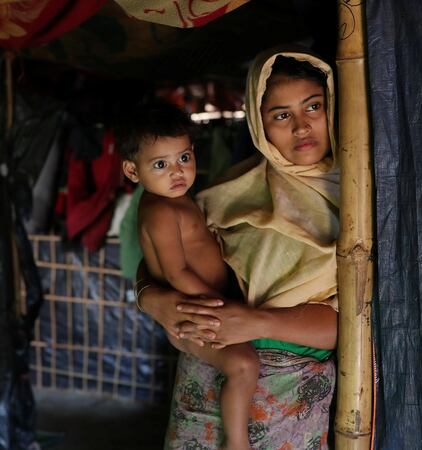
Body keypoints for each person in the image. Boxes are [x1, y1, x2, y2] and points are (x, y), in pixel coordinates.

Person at [134, 47, 341, 450]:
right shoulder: (230, 192)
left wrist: (257, 322)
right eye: (281, 115)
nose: (302, 127)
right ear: (259, 124)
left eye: (313, 106)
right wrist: (151, 299)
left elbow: (359, 321)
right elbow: (162, 257)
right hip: (210, 370)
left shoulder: (360, 198)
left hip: (295, 388)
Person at [116, 101, 259, 450]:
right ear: (132, 171)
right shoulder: (161, 210)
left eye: (183, 158)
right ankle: (237, 442)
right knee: (243, 365)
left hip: (202, 306)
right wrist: (221, 306)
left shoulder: (177, 198)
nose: (176, 171)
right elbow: (176, 272)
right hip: (194, 312)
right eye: (160, 164)